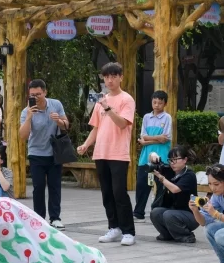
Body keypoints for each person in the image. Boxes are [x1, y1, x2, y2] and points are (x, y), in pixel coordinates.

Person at [77, 62, 137, 246]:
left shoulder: (127, 99)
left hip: (118, 153)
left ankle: (128, 231)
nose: (110, 80)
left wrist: (108, 108)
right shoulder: (100, 101)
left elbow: (123, 124)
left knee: (119, 193)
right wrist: (86, 144)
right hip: (101, 153)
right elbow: (96, 128)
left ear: (121, 77)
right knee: (107, 193)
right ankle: (114, 227)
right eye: (106, 77)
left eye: (113, 76)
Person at [19, 79, 68, 228]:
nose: (36, 97)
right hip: (36, 153)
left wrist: (59, 121)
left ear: (45, 92)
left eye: (38, 94)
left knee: (55, 186)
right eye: (32, 95)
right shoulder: (26, 111)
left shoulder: (56, 104)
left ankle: (55, 218)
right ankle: (39, 218)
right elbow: (23, 136)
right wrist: (29, 117)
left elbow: (66, 125)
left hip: (55, 153)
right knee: (38, 187)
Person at [134, 90, 173, 223]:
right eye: (154, 102)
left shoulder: (167, 117)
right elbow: (143, 135)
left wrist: (146, 141)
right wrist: (157, 138)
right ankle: (138, 213)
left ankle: (157, 212)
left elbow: (165, 139)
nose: (156, 105)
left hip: (161, 158)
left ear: (165, 104)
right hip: (146, 158)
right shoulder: (146, 117)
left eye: (160, 103)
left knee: (161, 186)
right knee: (142, 185)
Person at [149, 145, 199, 243]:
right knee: (155, 212)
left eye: (175, 160)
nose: (172, 163)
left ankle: (186, 235)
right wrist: (153, 156)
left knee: (168, 214)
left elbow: (175, 189)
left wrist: (162, 178)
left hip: (191, 215)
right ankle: (167, 235)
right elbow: (153, 160)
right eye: (170, 160)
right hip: (174, 211)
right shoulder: (170, 171)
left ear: (185, 160)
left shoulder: (189, 175)